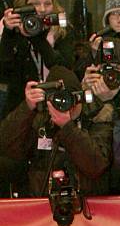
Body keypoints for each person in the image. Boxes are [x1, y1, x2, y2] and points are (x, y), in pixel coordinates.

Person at [0, 66, 113, 196]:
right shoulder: (41, 118)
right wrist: (27, 107)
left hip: (86, 201)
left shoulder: (97, 117)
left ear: (79, 97)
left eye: (68, 98)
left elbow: (96, 166)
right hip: (41, 200)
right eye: (57, 99)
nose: (63, 104)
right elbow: (6, 147)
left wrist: (67, 127)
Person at [0, 0, 75, 117]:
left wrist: (36, 37)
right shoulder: (14, 31)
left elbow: (64, 68)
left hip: (56, 105)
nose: (41, 9)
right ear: (24, 6)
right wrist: (8, 33)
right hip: (20, 108)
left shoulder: (63, 31)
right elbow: (4, 73)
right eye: (35, 4)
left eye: (47, 4)